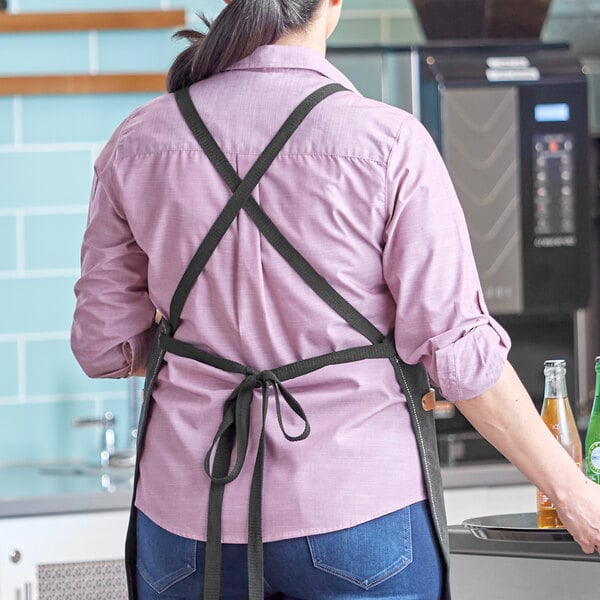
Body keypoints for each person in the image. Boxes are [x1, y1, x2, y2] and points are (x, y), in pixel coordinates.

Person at [70, 1, 600, 598]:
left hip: (186, 523)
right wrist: (574, 492)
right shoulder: (388, 143)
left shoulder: (139, 140)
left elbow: (104, 349)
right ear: (332, 5)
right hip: (358, 513)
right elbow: (459, 358)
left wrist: (208, 333)